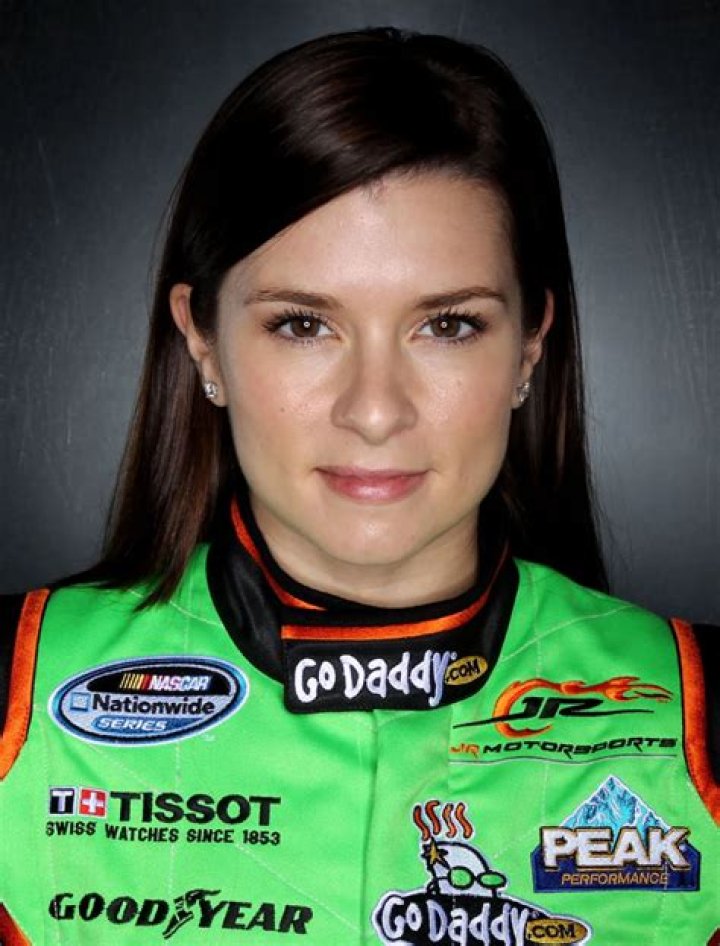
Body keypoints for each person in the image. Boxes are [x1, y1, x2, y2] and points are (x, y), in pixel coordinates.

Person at [0, 26, 716, 946]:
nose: (375, 411)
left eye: (448, 325)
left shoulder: (692, 714)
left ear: (530, 346)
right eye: (303, 325)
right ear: (203, 340)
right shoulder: (21, 695)